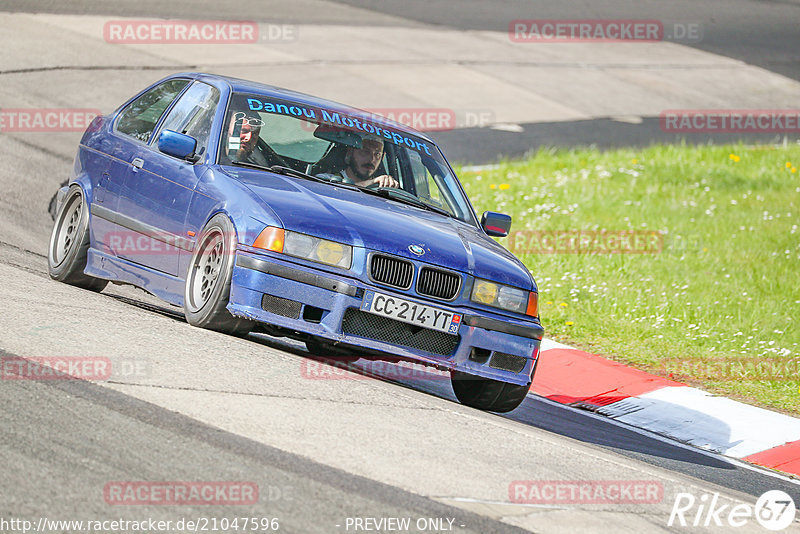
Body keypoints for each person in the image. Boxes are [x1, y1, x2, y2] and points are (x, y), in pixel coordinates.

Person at [324, 136, 399, 188]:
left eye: (377, 154)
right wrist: (372, 183)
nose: (372, 159)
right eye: (365, 152)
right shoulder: (325, 180)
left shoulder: (383, 189)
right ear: (350, 152)